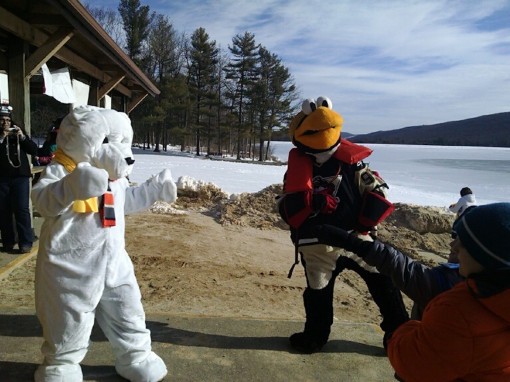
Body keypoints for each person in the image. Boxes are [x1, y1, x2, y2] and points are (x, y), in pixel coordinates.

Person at [31, 106, 177, 381]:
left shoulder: (115, 178)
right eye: (110, 142)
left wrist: (153, 190)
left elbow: (125, 202)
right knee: (67, 318)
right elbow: (42, 201)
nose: (122, 153)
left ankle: (135, 356)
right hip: (70, 264)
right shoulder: (63, 168)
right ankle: (61, 364)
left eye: (124, 143)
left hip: (114, 260)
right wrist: (71, 187)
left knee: (128, 310)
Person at [277, 97, 409, 354]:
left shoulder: (353, 164)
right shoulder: (298, 169)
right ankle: (317, 334)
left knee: (381, 281)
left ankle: (398, 331)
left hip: (353, 239)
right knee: (319, 290)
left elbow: (377, 193)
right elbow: (287, 206)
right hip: (320, 245)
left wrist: (366, 222)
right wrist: (310, 201)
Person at [385, 203, 510, 381]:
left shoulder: (459, 313)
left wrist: (406, 329)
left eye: (465, 242)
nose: (453, 245)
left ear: (486, 256)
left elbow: (411, 364)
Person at [312, 221, 464, 320]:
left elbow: (399, 266)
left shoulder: (446, 285)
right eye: (454, 236)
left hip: (421, 362)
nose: (452, 245)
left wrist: (353, 243)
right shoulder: (476, 286)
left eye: (464, 241)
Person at [0, 103, 38, 253]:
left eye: (8, 120)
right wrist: (2, 138)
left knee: (22, 209)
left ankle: (26, 241)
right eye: (2, 120)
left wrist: (22, 137)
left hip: (20, 177)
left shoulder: (18, 135)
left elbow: (34, 150)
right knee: (4, 210)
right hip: (2, 177)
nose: (5, 123)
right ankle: (8, 240)